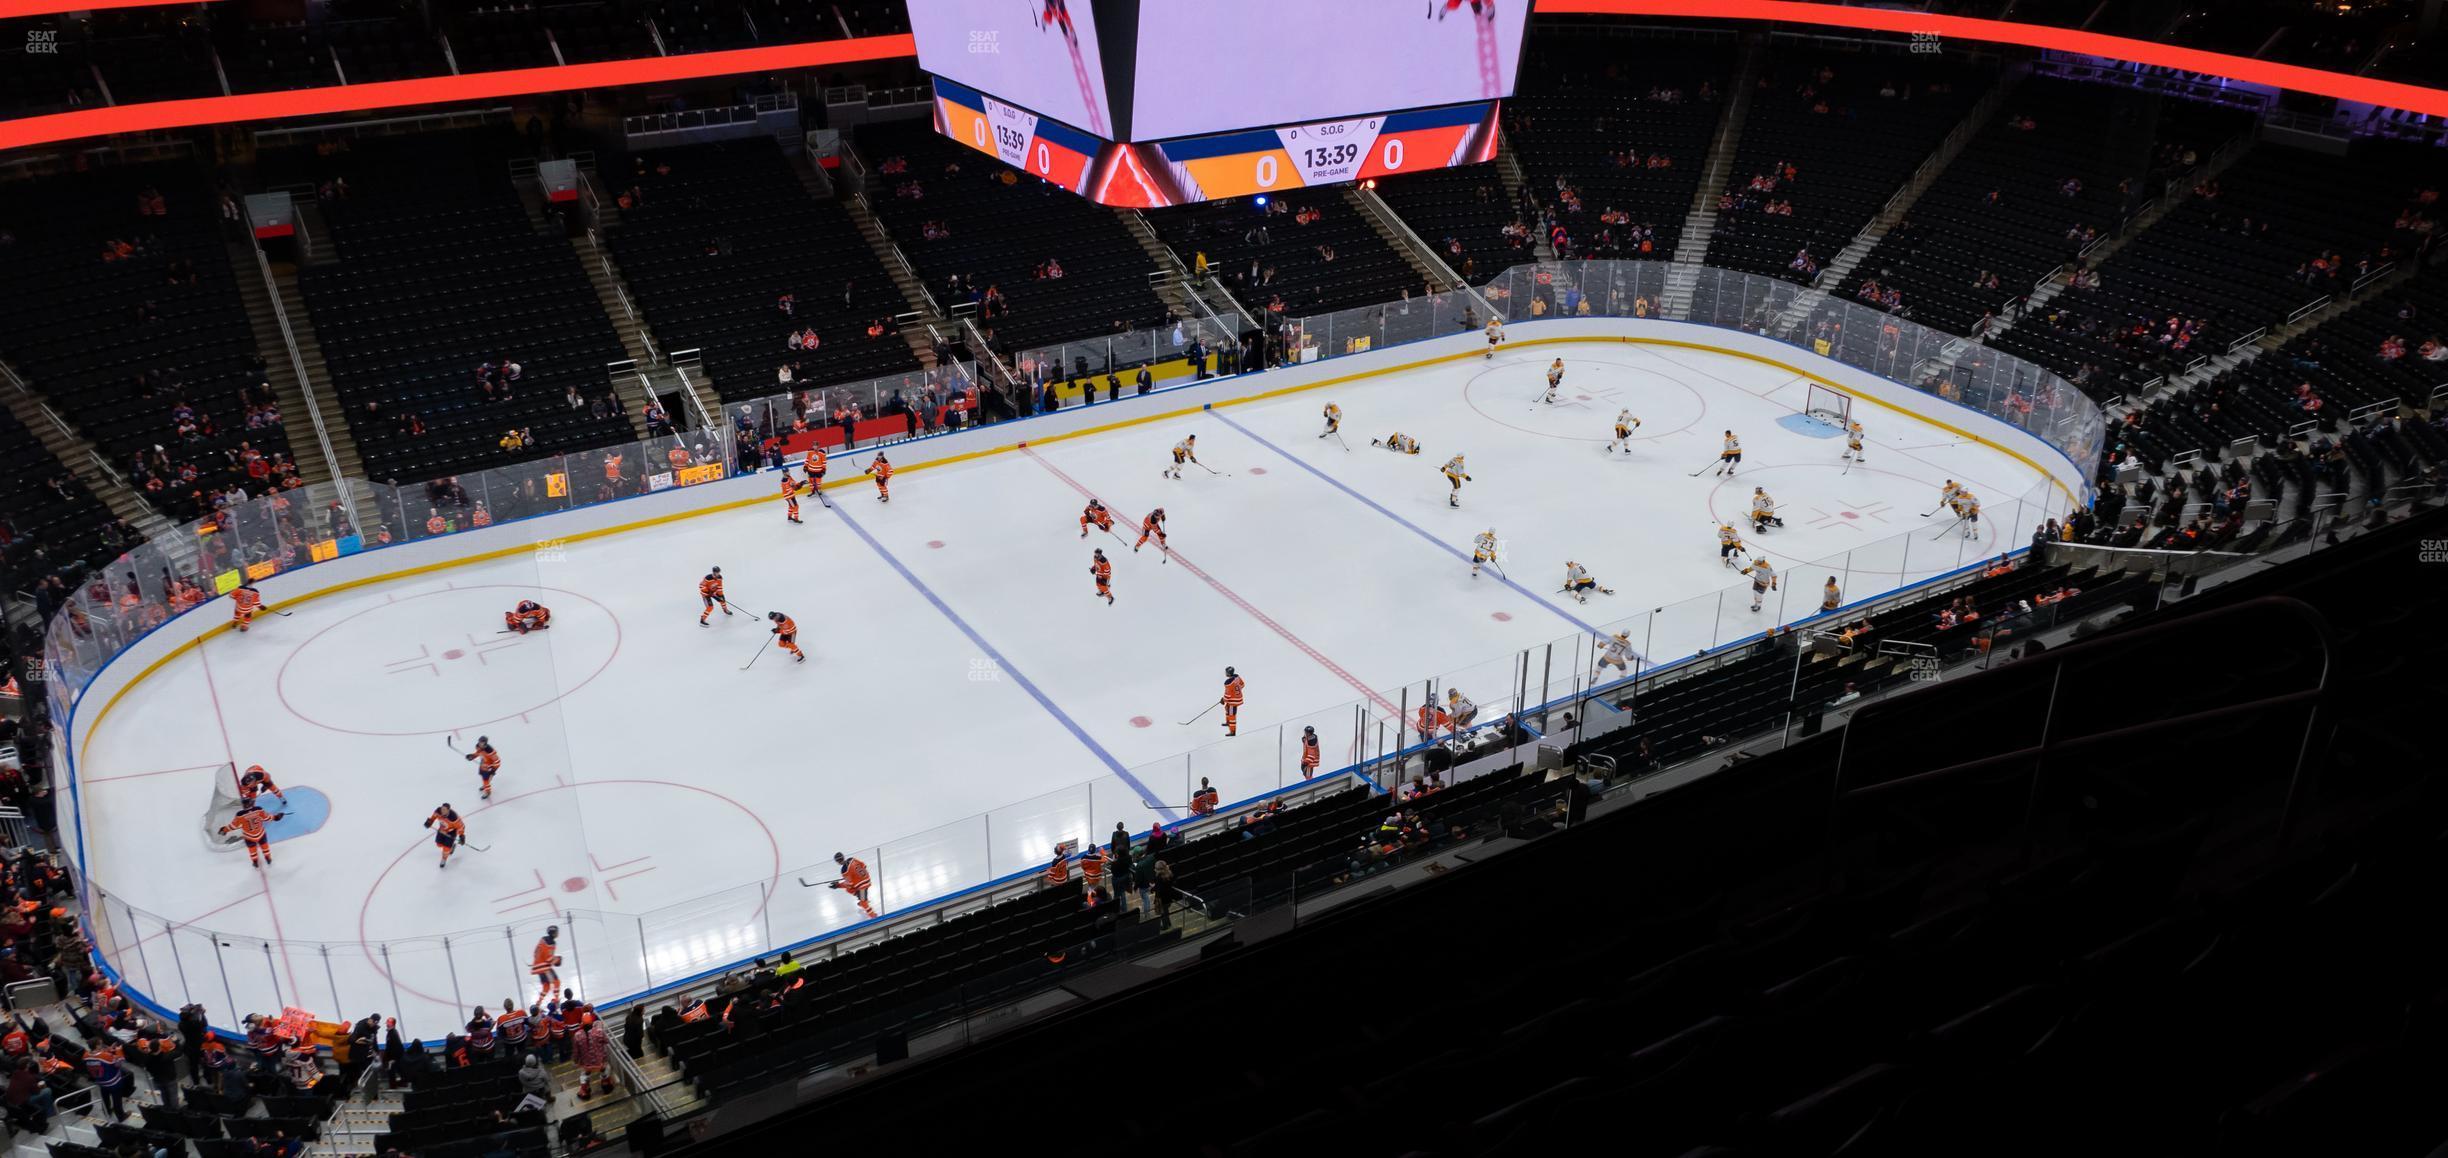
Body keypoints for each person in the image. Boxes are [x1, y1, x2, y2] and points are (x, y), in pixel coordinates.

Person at [219, 801, 285, 868]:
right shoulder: (259, 810)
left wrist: (224, 830)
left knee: (252, 849)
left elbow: (233, 826)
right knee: (265, 846)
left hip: (249, 836)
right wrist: (276, 817)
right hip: (260, 833)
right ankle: (268, 859)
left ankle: (255, 862)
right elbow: (267, 818)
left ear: (243, 805)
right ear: (251, 803)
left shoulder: (240, 815)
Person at [830, 852, 877, 917]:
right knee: (849, 890)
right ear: (843, 857)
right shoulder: (852, 859)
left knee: (863, 903)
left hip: (862, 885)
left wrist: (838, 885)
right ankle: (862, 898)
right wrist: (856, 875)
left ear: (837, 862)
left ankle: (873, 916)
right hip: (867, 879)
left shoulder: (844, 870)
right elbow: (863, 865)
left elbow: (849, 884)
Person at [424, 803, 465, 869]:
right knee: (438, 844)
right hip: (442, 830)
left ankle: (444, 858)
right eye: (442, 809)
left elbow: (461, 826)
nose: (442, 811)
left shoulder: (453, 817)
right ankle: (452, 847)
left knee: (446, 849)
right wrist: (429, 822)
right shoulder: (438, 811)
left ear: (448, 810)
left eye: (444, 810)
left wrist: (461, 836)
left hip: (451, 833)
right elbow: (433, 817)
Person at [464, 735, 502, 800]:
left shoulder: (490, 751)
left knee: (485, 779)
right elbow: (478, 753)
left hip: (489, 766)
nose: (480, 743)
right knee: (482, 776)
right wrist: (472, 756)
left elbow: (497, 761)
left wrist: (492, 769)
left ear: (485, 743)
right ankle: (486, 785)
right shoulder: (478, 746)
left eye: (482, 742)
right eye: (479, 741)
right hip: (483, 764)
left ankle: (488, 792)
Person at [531, 926, 562, 1002]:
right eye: (557, 932)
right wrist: (557, 959)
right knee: (556, 982)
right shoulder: (552, 943)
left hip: (537, 966)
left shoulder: (542, 939)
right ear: (554, 933)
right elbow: (548, 959)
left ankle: (538, 1002)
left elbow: (535, 953)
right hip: (544, 967)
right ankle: (557, 1000)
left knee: (546, 986)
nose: (558, 933)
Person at [1220, 667, 1245, 737]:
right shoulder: (1237, 677)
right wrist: (1236, 691)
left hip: (1233, 701)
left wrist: (1223, 700)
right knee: (1226, 708)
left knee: (1232, 716)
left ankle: (1232, 731)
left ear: (1228, 673)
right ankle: (1228, 722)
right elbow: (1242, 685)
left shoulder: (1228, 683)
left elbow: (1227, 695)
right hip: (1238, 698)